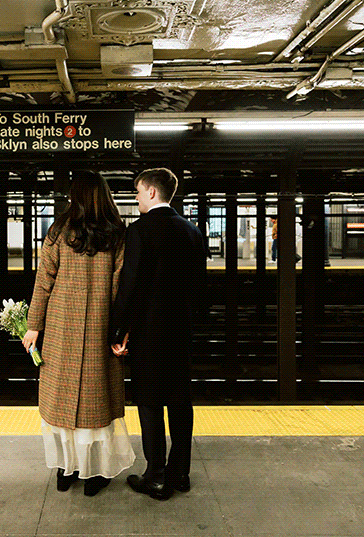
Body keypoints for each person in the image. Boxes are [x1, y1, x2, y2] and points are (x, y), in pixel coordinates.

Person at [22, 171, 135, 497]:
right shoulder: (117, 233)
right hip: (100, 327)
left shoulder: (59, 231)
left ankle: (65, 469)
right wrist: (121, 331)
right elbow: (119, 287)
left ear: (75, 196)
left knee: (61, 401)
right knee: (94, 405)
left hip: (60, 328)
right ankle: (94, 474)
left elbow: (44, 281)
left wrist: (33, 326)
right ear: (103, 195)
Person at [109, 167, 206, 501]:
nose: (136, 198)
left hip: (149, 334)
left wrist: (117, 329)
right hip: (182, 332)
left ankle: (156, 477)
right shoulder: (192, 231)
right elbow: (200, 289)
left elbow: (130, 285)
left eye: (137, 191)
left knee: (150, 403)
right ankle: (181, 474)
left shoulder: (139, 231)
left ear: (151, 192)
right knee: (180, 403)